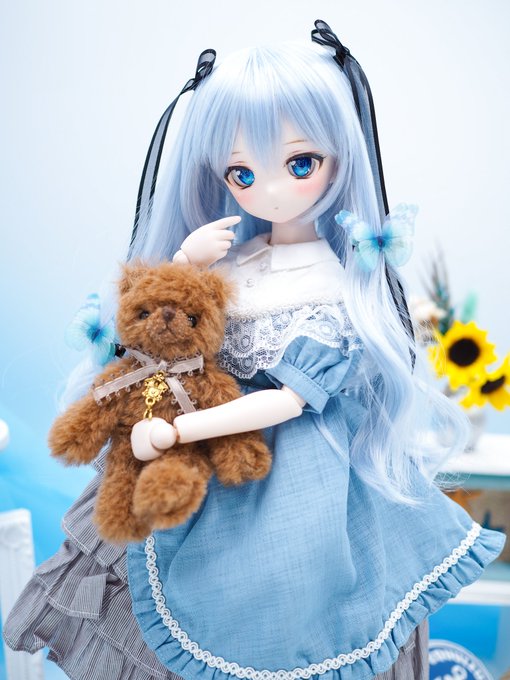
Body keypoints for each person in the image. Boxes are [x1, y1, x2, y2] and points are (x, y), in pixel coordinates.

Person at [3, 20, 505, 680]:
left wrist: (180, 429)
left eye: (299, 164)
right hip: (196, 457)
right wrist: (184, 262)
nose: (268, 191)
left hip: (299, 480)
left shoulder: (334, 286)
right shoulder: (235, 260)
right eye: (241, 172)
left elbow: (288, 402)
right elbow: (173, 325)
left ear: (338, 160)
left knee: (295, 610)